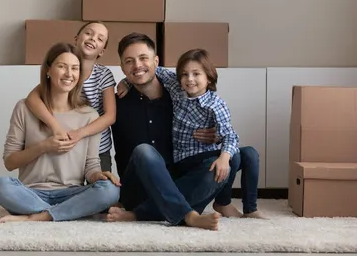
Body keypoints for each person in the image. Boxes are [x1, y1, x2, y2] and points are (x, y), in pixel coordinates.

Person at [117, 48, 265, 219]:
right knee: (233, 157)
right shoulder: (177, 88)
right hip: (183, 160)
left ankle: (241, 206)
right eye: (185, 74)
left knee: (247, 154)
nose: (190, 79)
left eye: (196, 74)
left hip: (204, 155)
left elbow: (230, 135)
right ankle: (148, 213)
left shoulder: (215, 105)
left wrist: (224, 156)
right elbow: (146, 70)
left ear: (209, 77)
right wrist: (125, 82)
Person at [104, 33, 225, 231]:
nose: (137, 66)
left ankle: (139, 215)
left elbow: (213, 112)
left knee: (228, 159)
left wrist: (214, 135)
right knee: (144, 151)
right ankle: (188, 214)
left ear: (156, 61)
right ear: (122, 67)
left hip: (179, 182)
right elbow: (98, 138)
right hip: (138, 187)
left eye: (143, 58)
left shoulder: (181, 97)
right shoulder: (117, 103)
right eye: (129, 61)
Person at [0, 42, 121, 223]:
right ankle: (68, 213)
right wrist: (45, 146)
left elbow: (91, 166)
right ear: (48, 70)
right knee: (0, 186)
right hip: (31, 191)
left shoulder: (89, 115)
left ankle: (39, 216)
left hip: (71, 192)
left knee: (110, 190)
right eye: (62, 66)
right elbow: (10, 162)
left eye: (75, 68)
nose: (69, 74)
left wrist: (98, 176)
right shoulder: (24, 108)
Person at [24, 21, 117, 172]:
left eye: (100, 39)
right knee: (67, 186)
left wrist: (79, 134)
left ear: (102, 52)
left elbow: (110, 116)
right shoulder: (64, 73)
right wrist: (56, 127)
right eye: (88, 33)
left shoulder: (103, 75)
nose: (93, 38)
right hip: (65, 144)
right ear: (76, 39)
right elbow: (32, 99)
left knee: (103, 188)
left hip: (98, 148)